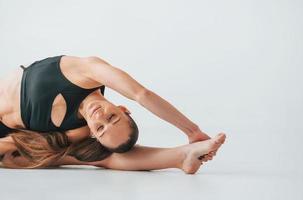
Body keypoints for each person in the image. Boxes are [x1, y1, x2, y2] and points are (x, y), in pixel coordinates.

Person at [0, 55, 226, 173]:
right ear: (123, 108)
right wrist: (192, 131)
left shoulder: (79, 129)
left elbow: (104, 157)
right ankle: (183, 154)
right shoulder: (86, 71)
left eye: (100, 128)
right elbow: (141, 94)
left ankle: (181, 157)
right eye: (112, 117)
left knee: (97, 157)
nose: (99, 117)